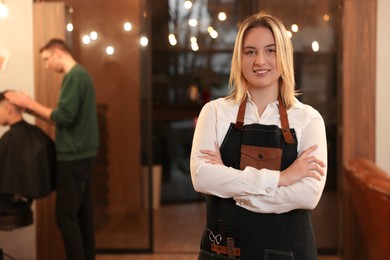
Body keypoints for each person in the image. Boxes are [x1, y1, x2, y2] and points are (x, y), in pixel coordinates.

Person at [190, 12, 327, 260]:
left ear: (283, 56)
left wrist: (237, 194)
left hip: (290, 252)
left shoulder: (309, 119)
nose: (260, 61)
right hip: (225, 252)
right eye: (250, 51)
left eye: (271, 50)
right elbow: (202, 178)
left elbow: (308, 195)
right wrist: (282, 178)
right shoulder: (215, 112)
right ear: (239, 58)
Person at [5, 38, 99, 260]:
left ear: (59, 53)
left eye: (47, 59)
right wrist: (31, 110)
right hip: (84, 155)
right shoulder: (80, 75)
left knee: (65, 216)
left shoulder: (75, 76)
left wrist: (29, 104)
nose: (46, 66)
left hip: (74, 157)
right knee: (82, 214)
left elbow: (64, 117)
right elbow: (63, 118)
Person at [0, 90, 56, 221]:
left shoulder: (8, 139)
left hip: (6, 205)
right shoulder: (37, 135)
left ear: (8, 109)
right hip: (23, 203)